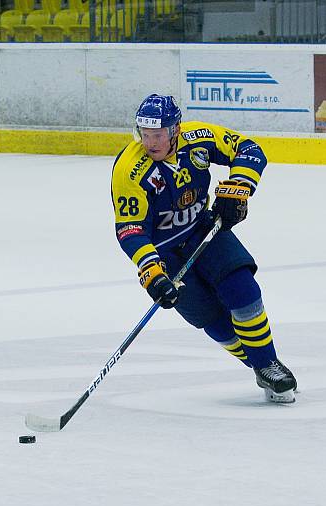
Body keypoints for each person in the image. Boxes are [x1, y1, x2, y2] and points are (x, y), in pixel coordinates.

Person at [110, 94, 297, 403]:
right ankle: (257, 364)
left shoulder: (198, 137)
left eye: (157, 134)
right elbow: (130, 230)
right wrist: (152, 271)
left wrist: (239, 187)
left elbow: (248, 149)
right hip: (165, 254)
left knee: (244, 290)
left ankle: (268, 364)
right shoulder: (129, 170)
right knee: (213, 320)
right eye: (144, 134)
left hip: (203, 230)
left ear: (175, 130)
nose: (150, 142)